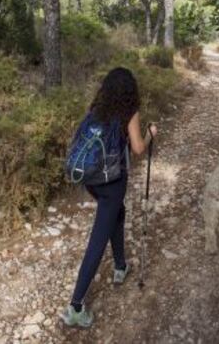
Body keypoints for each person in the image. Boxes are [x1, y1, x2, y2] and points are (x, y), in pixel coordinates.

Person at [61, 66, 157, 328]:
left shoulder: (96, 108)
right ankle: (76, 307)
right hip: (112, 182)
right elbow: (138, 149)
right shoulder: (129, 112)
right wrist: (150, 133)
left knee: (118, 213)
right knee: (97, 241)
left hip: (91, 181)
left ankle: (120, 266)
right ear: (130, 90)